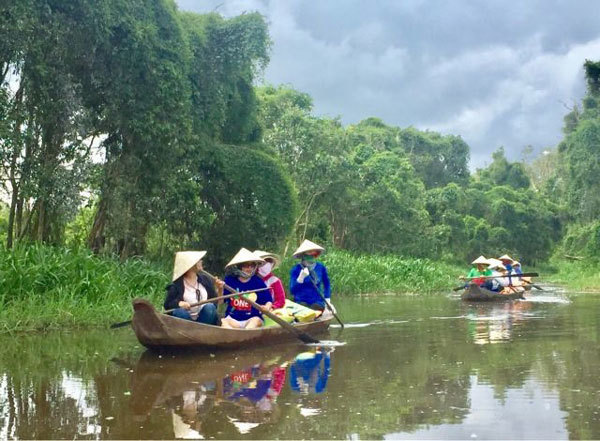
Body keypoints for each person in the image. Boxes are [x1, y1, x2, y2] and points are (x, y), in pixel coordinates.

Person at [164, 251, 223, 325]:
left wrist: (220, 289)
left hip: (204, 321)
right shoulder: (177, 284)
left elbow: (217, 302)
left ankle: (202, 332)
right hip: (186, 322)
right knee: (180, 312)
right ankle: (191, 332)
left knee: (210, 307)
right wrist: (179, 303)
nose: (201, 261)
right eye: (199, 260)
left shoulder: (205, 280)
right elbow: (167, 305)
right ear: (191, 265)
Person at [221, 248, 273, 329]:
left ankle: (245, 335)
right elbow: (221, 301)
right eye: (246, 265)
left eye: (252, 265)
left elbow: (268, 301)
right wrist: (220, 288)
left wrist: (266, 307)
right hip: (233, 319)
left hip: (252, 319)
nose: (249, 268)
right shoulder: (230, 280)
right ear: (239, 266)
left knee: (255, 321)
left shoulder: (258, 282)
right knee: (224, 322)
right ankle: (233, 336)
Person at [289, 239, 332, 312]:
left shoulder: (321, 267)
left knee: (315, 308)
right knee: (304, 309)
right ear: (303, 254)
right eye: (309, 252)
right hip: (301, 301)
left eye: (314, 252)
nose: (312, 254)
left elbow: (327, 284)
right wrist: (300, 278)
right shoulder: (296, 269)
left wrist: (327, 299)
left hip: (317, 302)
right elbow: (292, 290)